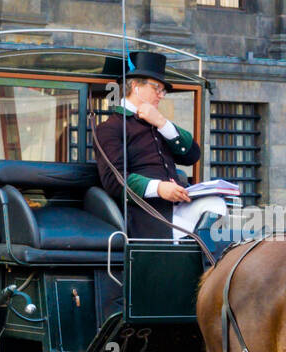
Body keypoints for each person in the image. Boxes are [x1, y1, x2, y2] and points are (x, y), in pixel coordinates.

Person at [92, 51, 226, 239]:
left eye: (163, 90)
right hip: (145, 213)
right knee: (193, 235)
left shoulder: (158, 124)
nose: (161, 95)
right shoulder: (110, 127)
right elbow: (115, 181)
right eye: (157, 88)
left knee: (216, 205)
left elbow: (192, 155)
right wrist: (159, 188)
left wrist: (163, 123)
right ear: (136, 86)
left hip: (178, 207)